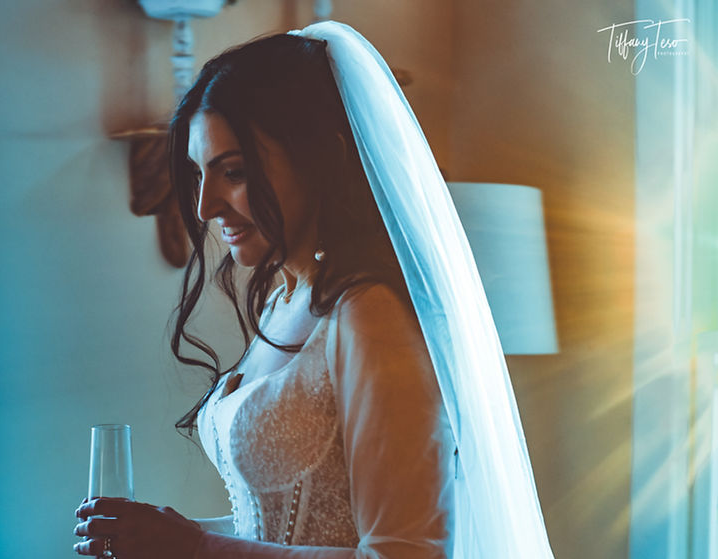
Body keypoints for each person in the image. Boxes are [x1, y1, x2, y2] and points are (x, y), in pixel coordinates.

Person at [74, 21, 554, 559]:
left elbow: (404, 552)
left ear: (317, 159)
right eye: (199, 174)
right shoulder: (286, 300)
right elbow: (279, 527)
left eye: (233, 172)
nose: (206, 206)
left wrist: (198, 548)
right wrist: (166, 536)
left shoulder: (372, 316)